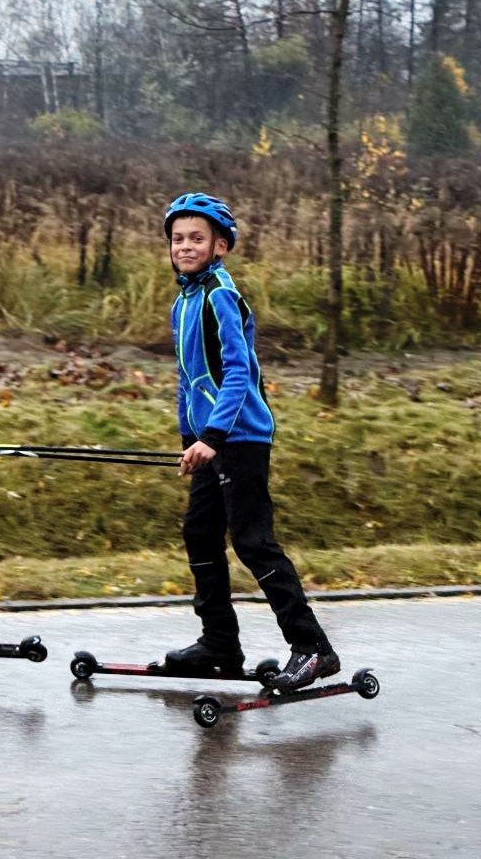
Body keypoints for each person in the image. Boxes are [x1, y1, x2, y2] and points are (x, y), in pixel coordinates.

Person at [162, 193, 339, 690]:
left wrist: (214, 436)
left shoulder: (220, 294)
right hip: (211, 441)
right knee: (200, 535)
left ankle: (313, 649)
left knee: (253, 541)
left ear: (220, 246)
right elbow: (187, 378)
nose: (185, 246)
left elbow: (239, 373)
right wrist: (190, 439)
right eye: (178, 239)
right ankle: (219, 642)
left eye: (197, 238)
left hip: (241, 438)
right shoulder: (184, 302)